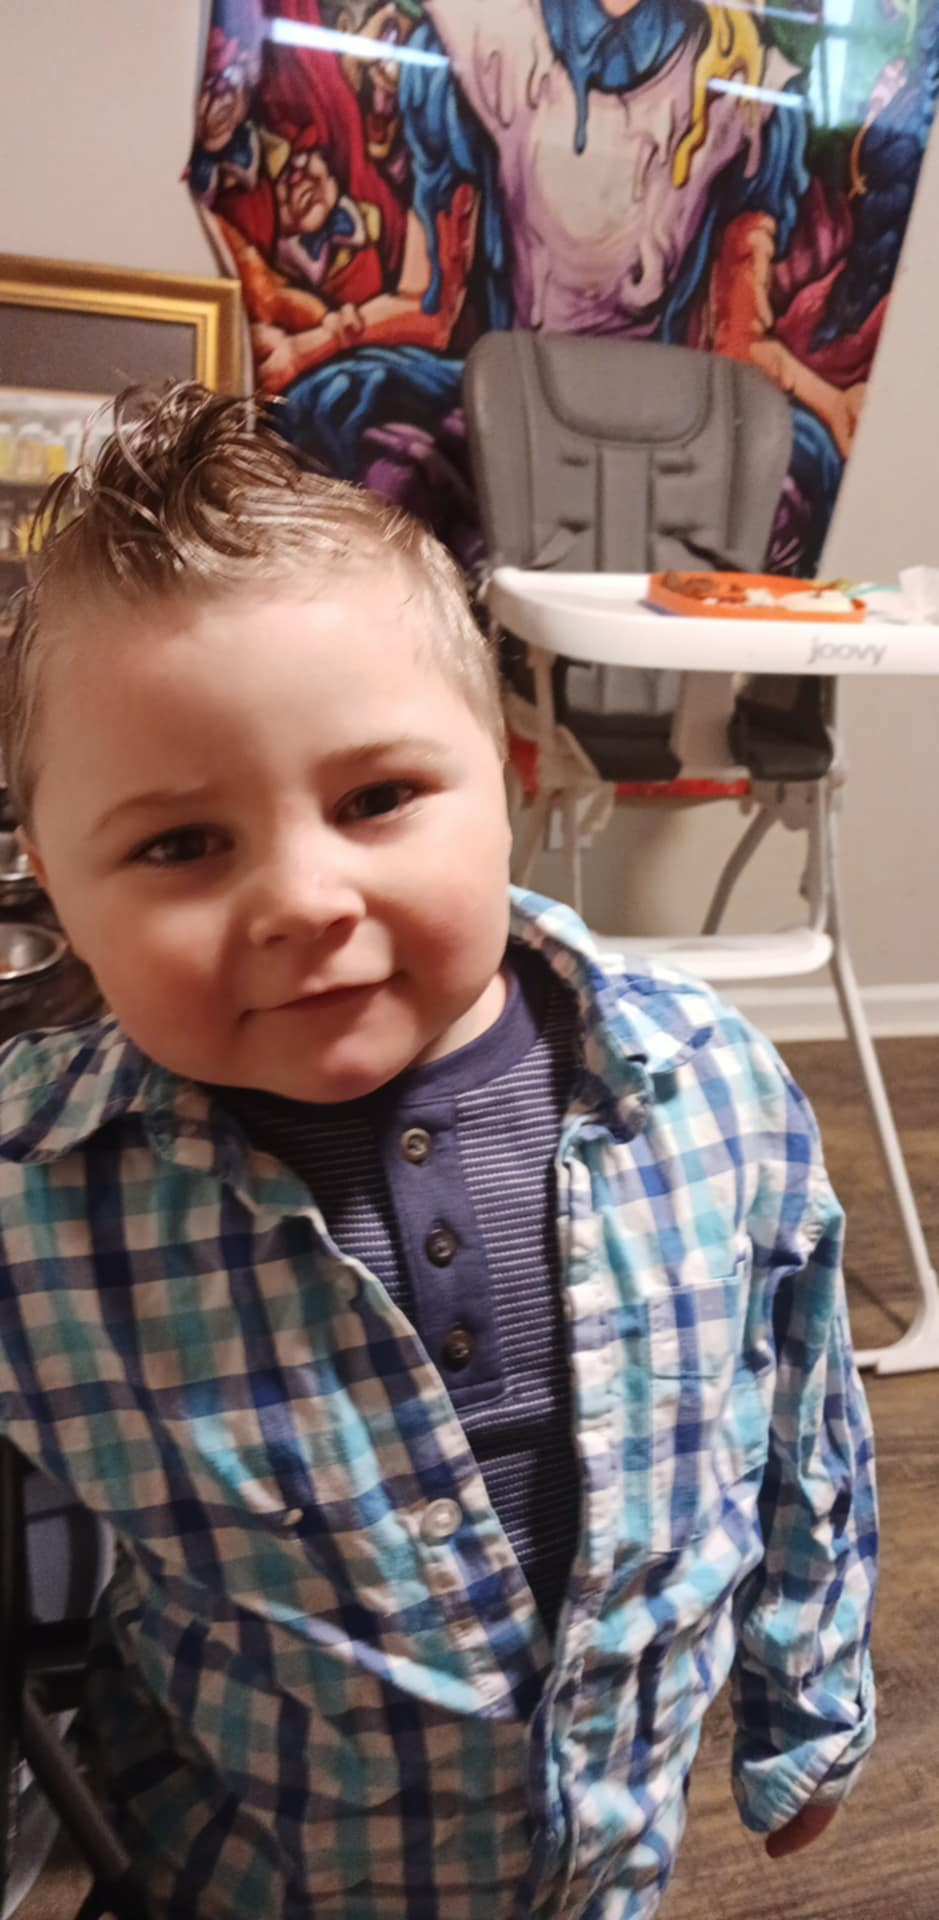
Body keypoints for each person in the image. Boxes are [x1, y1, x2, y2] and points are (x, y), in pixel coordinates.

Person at [0, 384, 877, 1920]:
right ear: (54, 886)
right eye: (180, 844)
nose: (302, 900)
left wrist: (805, 1695)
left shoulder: (711, 1090)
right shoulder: (32, 1200)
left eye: (378, 798)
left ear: (509, 780)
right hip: (244, 1869)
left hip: (607, 1864)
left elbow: (803, 1411)